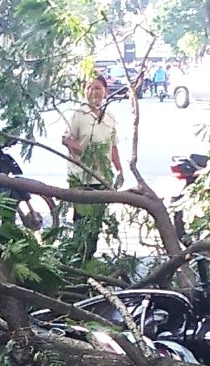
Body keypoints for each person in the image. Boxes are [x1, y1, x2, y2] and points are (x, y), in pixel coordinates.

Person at [62, 75, 124, 262]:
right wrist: (88, 154)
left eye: (97, 88)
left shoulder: (110, 117)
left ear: (106, 91)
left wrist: (120, 170)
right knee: (82, 223)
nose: (93, 92)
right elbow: (66, 139)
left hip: (101, 179)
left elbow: (112, 146)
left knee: (95, 225)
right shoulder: (78, 115)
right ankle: (77, 261)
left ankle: (88, 261)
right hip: (81, 178)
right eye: (89, 88)